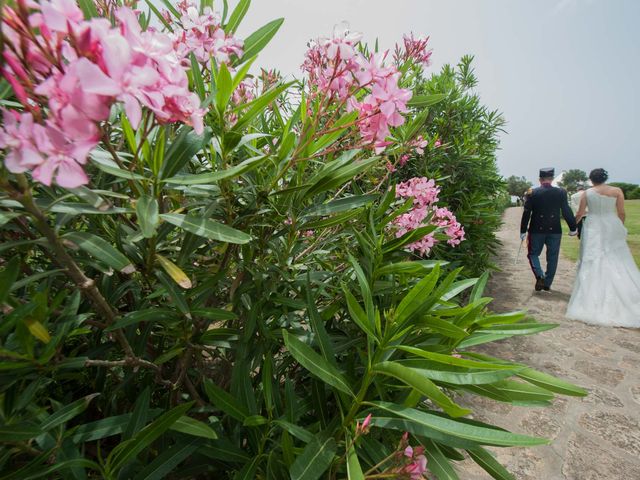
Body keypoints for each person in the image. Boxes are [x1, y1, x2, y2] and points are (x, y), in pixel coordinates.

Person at [566, 168, 640, 327]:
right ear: (605, 178)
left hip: (593, 225)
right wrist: (620, 225)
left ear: (591, 179)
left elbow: (580, 212)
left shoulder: (587, 193)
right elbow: (621, 212)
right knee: (616, 256)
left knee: (593, 257)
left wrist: (574, 224)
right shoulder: (617, 191)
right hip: (611, 223)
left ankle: (592, 296)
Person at [520, 168, 578, 292]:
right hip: (555, 229)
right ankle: (547, 283)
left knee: (533, 254)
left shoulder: (532, 193)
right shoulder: (561, 192)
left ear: (540, 179)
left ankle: (540, 275)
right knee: (553, 257)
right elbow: (566, 210)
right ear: (551, 179)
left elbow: (526, 213)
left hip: (536, 229)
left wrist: (523, 230)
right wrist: (573, 227)